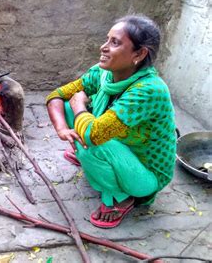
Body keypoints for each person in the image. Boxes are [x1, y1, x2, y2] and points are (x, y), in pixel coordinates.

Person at [46, 15, 176, 228]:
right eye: (107, 40)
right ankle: (100, 163)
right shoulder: (103, 74)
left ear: (139, 54)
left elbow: (94, 135)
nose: (103, 47)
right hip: (119, 145)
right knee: (71, 110)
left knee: (90, 144)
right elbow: (56, 96)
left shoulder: (149, 90)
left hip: (146, 175)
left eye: (114, 43)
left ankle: (121, 199)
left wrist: (79, 106)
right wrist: (62, 128)